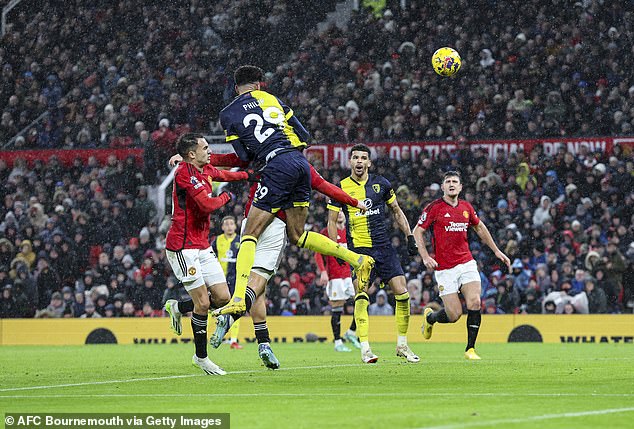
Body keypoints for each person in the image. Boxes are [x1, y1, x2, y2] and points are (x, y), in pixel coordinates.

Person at [168, 151, 366, 369]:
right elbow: (324, 186)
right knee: (258, 282)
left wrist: (192, 160)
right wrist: (355, 202)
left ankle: (262, 342)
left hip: (251, 221)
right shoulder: (297, 164)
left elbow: (231, 159)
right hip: (274, 224)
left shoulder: (261, 153)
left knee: (251, 289)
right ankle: (235, 321)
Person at [212, 65, 374, 318]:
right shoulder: (272, 99)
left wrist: (214, 159)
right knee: (298, 235)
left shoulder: (228, 113)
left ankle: (236, 298)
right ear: (258, 85)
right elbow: (304, 135)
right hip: (298, 162)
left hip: (275, 165)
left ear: (236, 88)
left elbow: (243, 157)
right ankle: (357, 260)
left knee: (249, 234)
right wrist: (354, 202)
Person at [162, 132, 256, 375]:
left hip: (202, 245)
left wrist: (250, 175)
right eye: (205, 148)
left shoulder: (206, 169)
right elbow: (207, 204)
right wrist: (228, 196)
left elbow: (226, 174)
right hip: (183, 247)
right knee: (203, 303)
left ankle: (179, 307)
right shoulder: (184, 173)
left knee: (223, 297)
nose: (209, 151)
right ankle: (201, 357)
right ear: (192, 154)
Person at [327, 144, 420, 364]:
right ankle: (366, 348)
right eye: (355, 158)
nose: (359, 162)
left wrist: (409, 236)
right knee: (362, 295)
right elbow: (331, 222)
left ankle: (403, 344)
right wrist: (336, 249)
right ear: (350, 161)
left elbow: (397, 211)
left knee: (402, 293)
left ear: (369, 163)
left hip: (384, 248)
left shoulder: (382, 184)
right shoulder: (340, 188)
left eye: (363, 158)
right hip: (359, 250)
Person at [413, 170, 511, 360]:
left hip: (466, 263)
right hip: (444, 269)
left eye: (455, 181)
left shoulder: (466, 207)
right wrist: (425, 256)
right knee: (455, 314)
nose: (451, 184)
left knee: (474, 301)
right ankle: (430, 318)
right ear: (442, 187)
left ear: (460, 187)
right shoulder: (434, 208)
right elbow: (418, 232)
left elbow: (480, 228)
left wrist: (497, 251)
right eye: (448, 181)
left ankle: (470, 349)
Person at [315, 211, 361, 352]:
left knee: (362, 301)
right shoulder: (327, 232)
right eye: (337, 212)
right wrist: (323, 271)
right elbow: (318, 253)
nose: (340, 214)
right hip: (335, 276)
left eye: (342, 211)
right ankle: (337, 342)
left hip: (350, 275)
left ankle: (351, 332)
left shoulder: (351, 231)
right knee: (337, 308)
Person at [211, 216, 243, 349]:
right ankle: (210, 336)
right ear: (222, 227)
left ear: (235, 226)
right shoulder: (217, 241)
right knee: (212, 308)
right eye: (226, 224)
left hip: (236, 280)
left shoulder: (241, 241)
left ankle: (233, 340)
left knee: (235, 308)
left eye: (231, 223)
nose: (229, 226)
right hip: (219, 280)